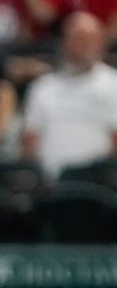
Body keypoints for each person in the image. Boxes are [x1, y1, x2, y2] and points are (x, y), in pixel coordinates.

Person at [21, 10, 117, 183]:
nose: (84, 45)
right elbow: (30, 142)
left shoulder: (113, 84)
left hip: (99, 184)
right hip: (50, 185)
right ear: (64, 41)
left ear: (101, 43)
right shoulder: (43, 87)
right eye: (78, 38)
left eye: (90, 39)